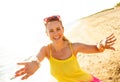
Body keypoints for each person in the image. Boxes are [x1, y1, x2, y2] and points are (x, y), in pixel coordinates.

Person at [15, 15, 116, 82]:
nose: (55, 33)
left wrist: (101, 45)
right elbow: (37, 58)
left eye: (58, 29)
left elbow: (96, 48)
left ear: (63, 29)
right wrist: (34, 63)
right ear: (47, 34)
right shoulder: (46, 50)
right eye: (51, 31)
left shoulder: (74, 47)